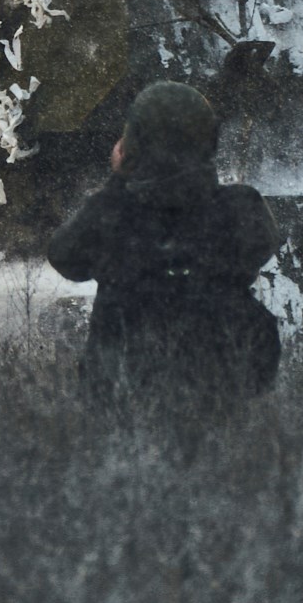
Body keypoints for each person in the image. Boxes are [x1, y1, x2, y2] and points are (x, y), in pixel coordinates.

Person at [46, 80, 281, 410]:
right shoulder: (240, 207)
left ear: (133, 144)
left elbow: (64, 258)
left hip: (126, 393)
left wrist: (120, 179)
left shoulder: (110, 212)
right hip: (223, 386)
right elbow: (262, 248)